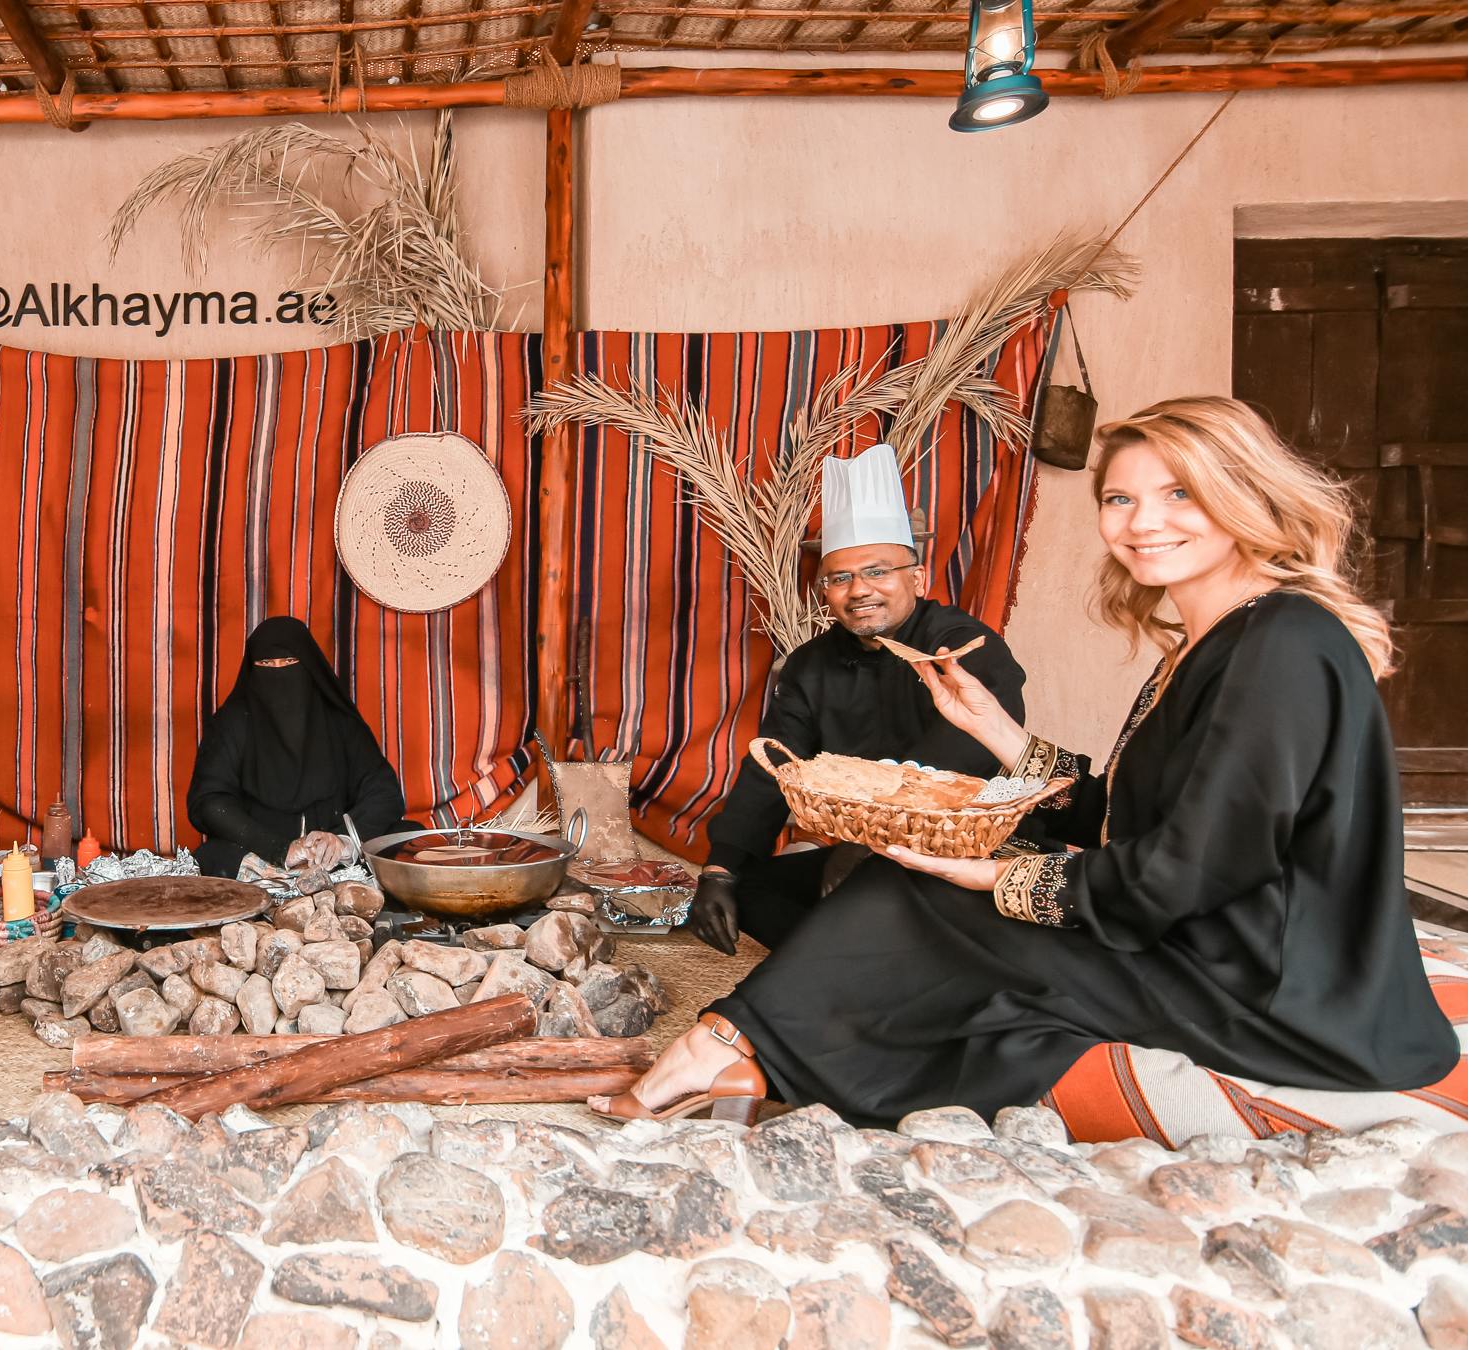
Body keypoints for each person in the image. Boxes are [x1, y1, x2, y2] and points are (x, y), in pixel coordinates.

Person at [597, 396, 1456, 1125]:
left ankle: (723, 1049)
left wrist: (995, 882)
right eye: (1120, 499)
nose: (1142, 523)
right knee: (920, 916)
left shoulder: (1283, 641)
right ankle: (754, 1058)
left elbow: (1186, 872)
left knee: (920, 899)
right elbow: (1125, 817)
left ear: (1243, 493)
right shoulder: (1208, 642)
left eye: (1179, 493)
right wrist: (1003, 736)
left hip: (1266, 985)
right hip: (1203, 939)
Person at [689, 443, 1028, 954]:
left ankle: (860, 961)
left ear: (917, 577)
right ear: (824, 591)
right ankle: (857, 963)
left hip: (967, 855)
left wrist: (870, 847)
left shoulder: (963, 645)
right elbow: (775, 764)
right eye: (840, 578)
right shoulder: (812, 664)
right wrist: (721, 868)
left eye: (877, 571)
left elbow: (955, 767)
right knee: (753, 889)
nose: (859, 590)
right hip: (860, 855)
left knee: (882, 902)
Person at [188, 617, 409, 878]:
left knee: (403, 836)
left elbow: (384, 791)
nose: (279, 672)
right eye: (266, 664)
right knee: (212, 856)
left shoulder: (338, 721)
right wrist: (280, 849)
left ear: (308, 666)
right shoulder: (233, 722)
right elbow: (209, 801)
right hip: (261, 854)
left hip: (334, 857)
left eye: (290, 663)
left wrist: (342, 840)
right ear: (252, 668)